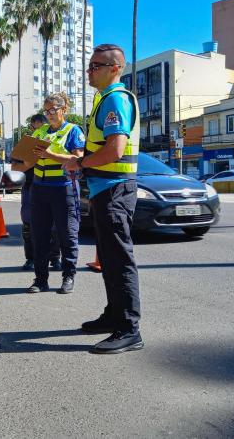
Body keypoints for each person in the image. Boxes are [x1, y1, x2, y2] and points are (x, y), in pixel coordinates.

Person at [65, 43, 144, 354]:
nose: (89, 70)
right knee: (109, 260)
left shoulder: (115, 99)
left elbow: (115, 149)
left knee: (119, 259)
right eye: (89, 65)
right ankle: (114, 316)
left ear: (115, 69)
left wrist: (82, 162)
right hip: (105, 190)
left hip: (116, 189)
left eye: (96, 65)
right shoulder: (103, 100)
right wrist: (80, 161)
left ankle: (129, 329)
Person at [14, 92, 85, 294]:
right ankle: (40, 279)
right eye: (46, 111)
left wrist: (49, 154)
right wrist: (19, 162)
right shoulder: (40, 132)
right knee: (39, 236)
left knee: (67, 235)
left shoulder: (73, 131)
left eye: (53, 109)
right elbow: (27, 160)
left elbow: (77, 160)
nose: (50, 114)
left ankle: (68, 276)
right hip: (39, 189)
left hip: (64, 188)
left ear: (64, 109)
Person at [12, 114, 61, 272]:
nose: (39, 131)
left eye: (42, 127)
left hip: (51, 186)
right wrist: (30, 158)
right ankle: (31, 258)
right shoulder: (26, 143)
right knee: (29, 225)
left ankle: (55, 258)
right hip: (30, 187)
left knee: (54, 226)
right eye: (35, 128)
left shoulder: (57, 141)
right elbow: (15, 167)